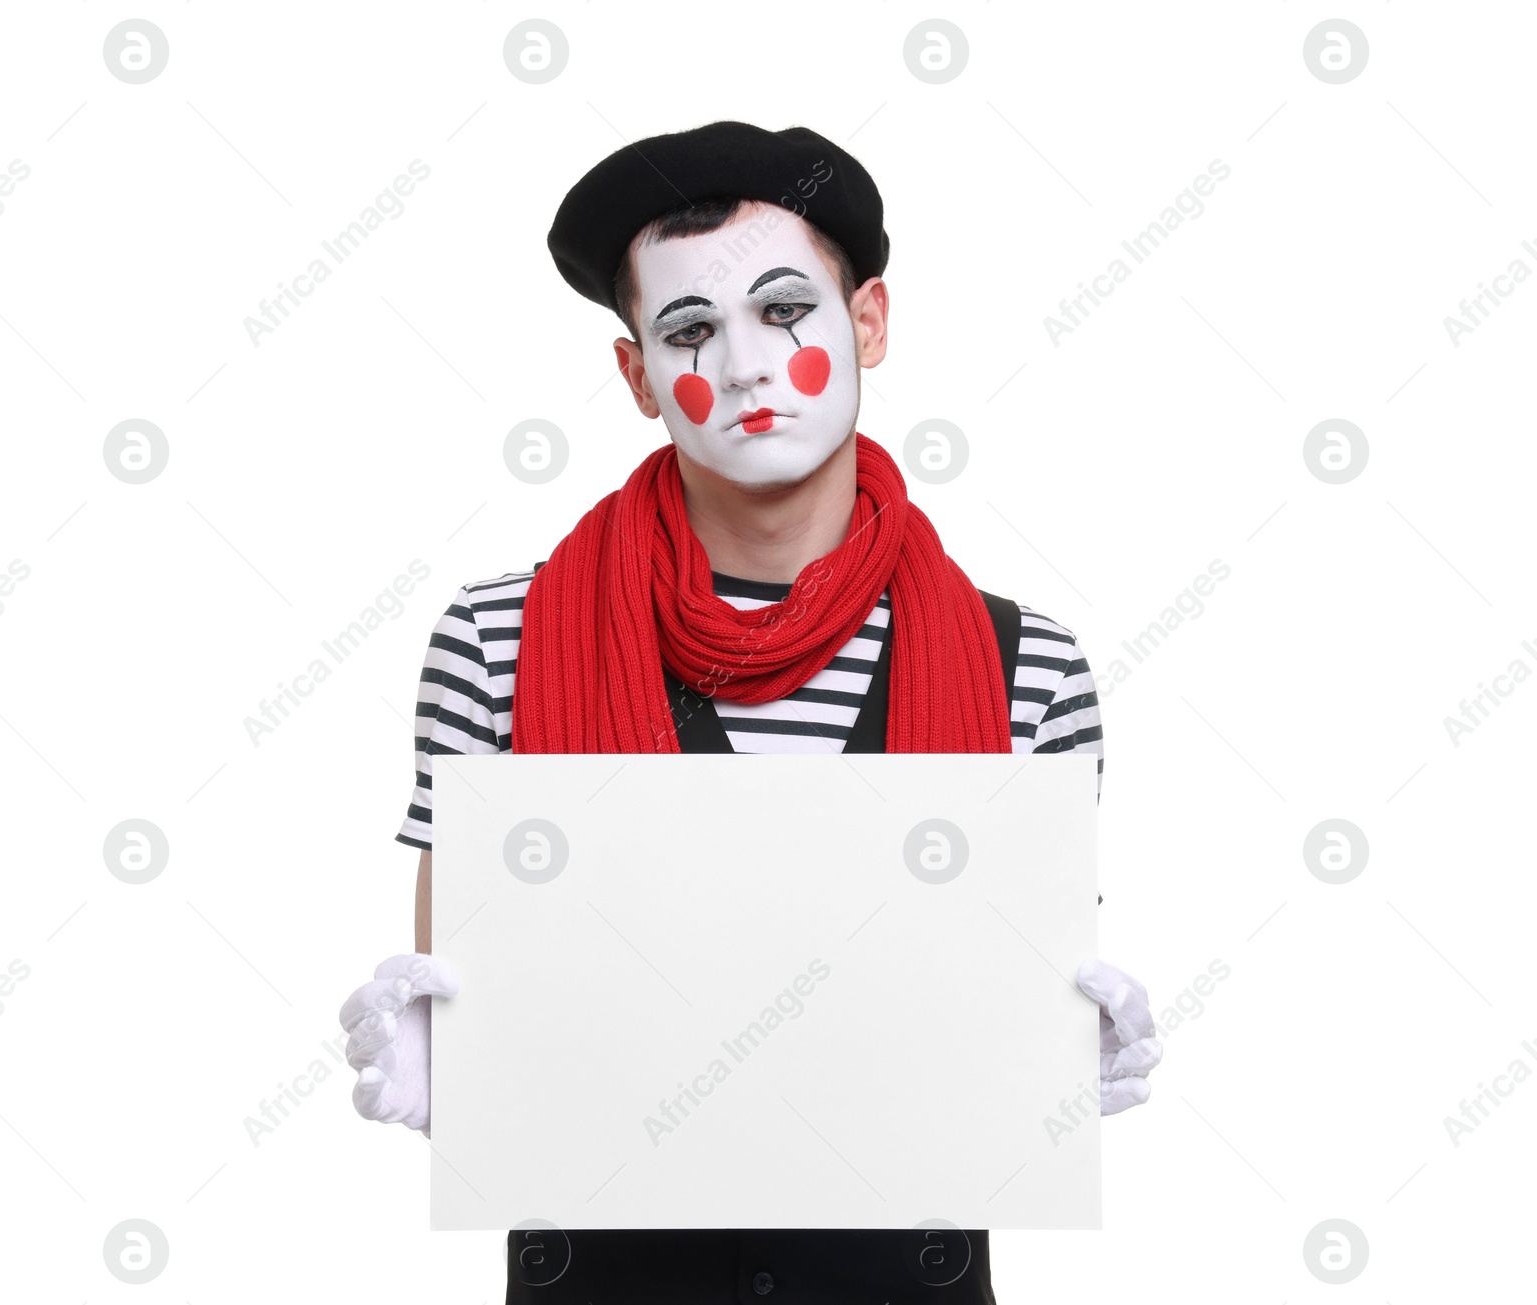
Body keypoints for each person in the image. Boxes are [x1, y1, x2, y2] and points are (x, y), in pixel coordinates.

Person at [339, 120, 1162, 1305]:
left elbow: (1006, 1006)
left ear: (867, 323)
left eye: (785, 311)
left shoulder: (1028, 664)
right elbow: (469, 995)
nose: (741, 366)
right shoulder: (497, 643)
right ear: (635, 378)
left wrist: (1065, 1057)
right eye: (688, 330)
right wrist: (431, 1056)